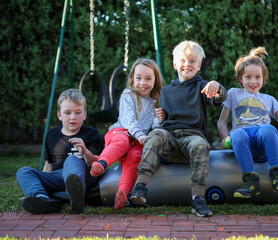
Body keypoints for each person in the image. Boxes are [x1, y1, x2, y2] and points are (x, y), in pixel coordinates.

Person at [129, 40, 227, 217]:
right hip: (170, 140)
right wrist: (162, 116)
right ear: (175, 64)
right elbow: (165, 119)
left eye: (192, 61)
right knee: (156, 134)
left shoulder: (202, 86)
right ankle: (141, 187)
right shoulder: (166, 91)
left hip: (191, 139)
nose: (187, 64)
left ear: (199, 65)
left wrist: (218, 87)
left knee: (200, 144)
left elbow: (218, 98)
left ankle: (198, 198)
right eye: (182, 60)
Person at [217, 47, 278, 199]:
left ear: (263, 78)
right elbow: (222, 122)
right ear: (240, 79)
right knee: (236, 133)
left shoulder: (269, 100)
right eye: (248, 77)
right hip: (242, 142)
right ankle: (250, 181)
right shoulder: (233, 94)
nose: (253, 81)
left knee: (268, 129)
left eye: (258, 77)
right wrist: (225, 138)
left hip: (261, 143)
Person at [90, 58, 164, 210]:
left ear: (155, 81)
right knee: (122, 142)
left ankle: (122, 193)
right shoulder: (128, 94)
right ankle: (101, 163)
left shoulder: (157, 100)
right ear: (132, 78)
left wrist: (159, 119)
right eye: (139, 78)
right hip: (121, 132)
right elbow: (129, 120)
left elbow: (154, 126)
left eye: (148, 79)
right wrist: (139, 134)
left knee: (134, 157)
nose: (143, 82)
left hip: (138, 141)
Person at [16, 89, 104, 214]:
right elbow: (49, 166)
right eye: (67, 113)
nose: (72, 117)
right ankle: (41, 198)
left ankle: (76, 196)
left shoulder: (91, 133)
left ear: (84, 114)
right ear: (59, 115)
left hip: (84, 176)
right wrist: (43, 180)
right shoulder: (52, 135)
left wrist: (84, 151)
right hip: (60, 177)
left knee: (72, 159)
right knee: (23, 171)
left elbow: (98, 163)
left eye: (78, 112)